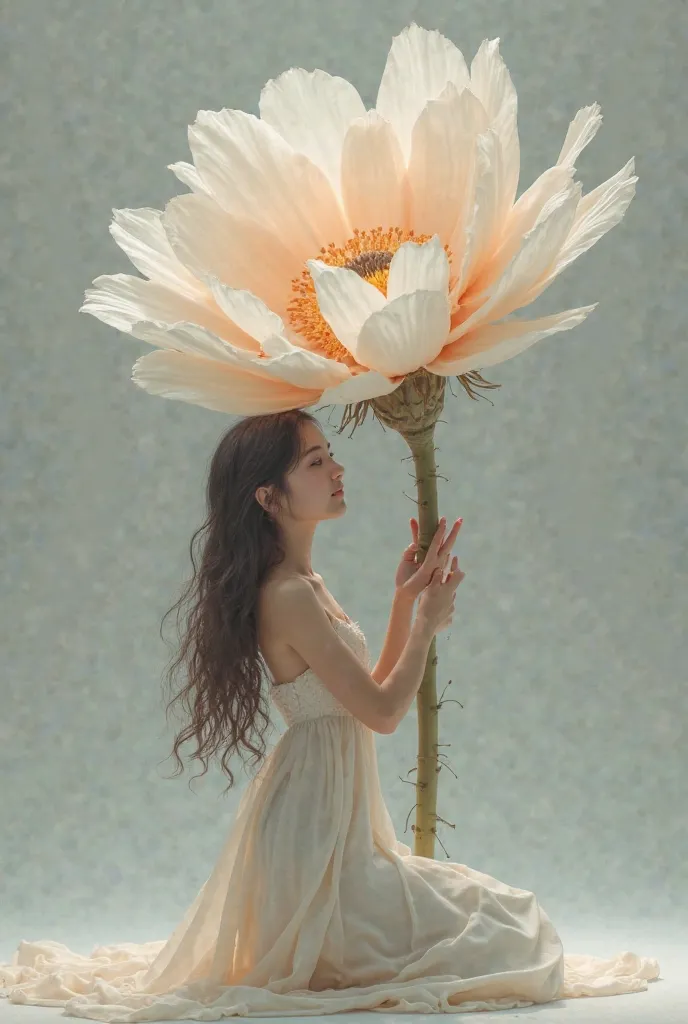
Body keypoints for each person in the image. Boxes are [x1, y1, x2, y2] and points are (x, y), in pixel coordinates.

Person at [0, 410, 660, 1019]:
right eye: (315, 462)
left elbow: (363, 691)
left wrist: (405, 605)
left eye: (330, 455)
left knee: (507, 923)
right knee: (511, 931)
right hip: (315, 839)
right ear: (268, 496)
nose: (337, 470)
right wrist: (427, 628)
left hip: (334, 825)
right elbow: (381, 713)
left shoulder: (308, 585)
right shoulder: (287, 595)